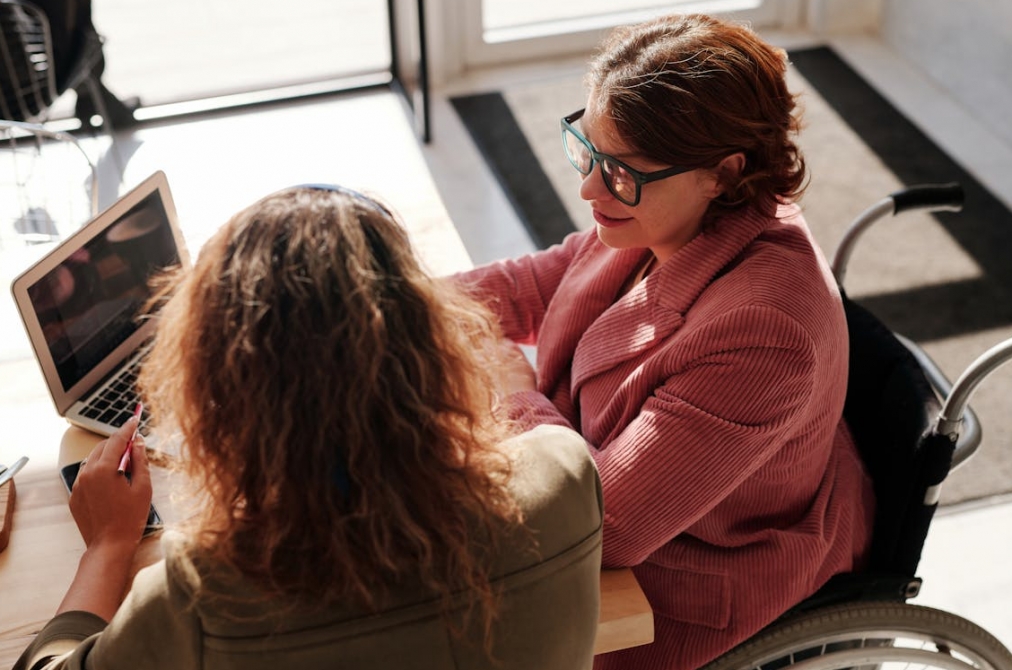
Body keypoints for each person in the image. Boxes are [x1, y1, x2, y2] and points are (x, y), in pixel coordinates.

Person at [15, 185, 604, 670]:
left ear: (219, 392)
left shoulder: (201, 596)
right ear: (435, 343)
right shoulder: (566, 474)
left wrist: (108, 546)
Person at [454, 13, 876, 670]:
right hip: (614, 495)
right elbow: (538, 282)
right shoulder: (665, 210)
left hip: (682, 589)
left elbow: (607, 525)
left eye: (619, 171)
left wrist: (513, 390)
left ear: (723, 172)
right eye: (585, 150)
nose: (588, 188)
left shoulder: (765, 334)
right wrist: (385, 302)